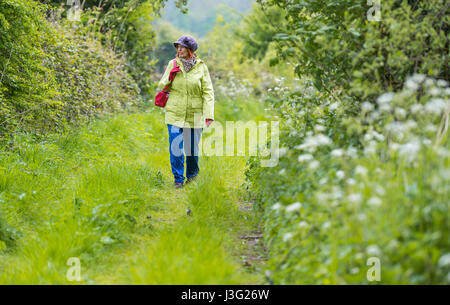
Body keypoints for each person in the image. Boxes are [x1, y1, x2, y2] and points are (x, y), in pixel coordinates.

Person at [157, 35, 215, 188]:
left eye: (182, 47)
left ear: (190, 50)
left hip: (194, 114)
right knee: (176, 147)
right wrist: (170, 75)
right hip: (174, 113)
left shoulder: (202, 67)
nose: (179, 49)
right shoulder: (173, 63)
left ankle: (192, 177)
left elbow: (208, 92)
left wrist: (209, 114)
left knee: (192, 150)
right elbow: (162, 85)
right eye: (178, 46)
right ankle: (178, 179)